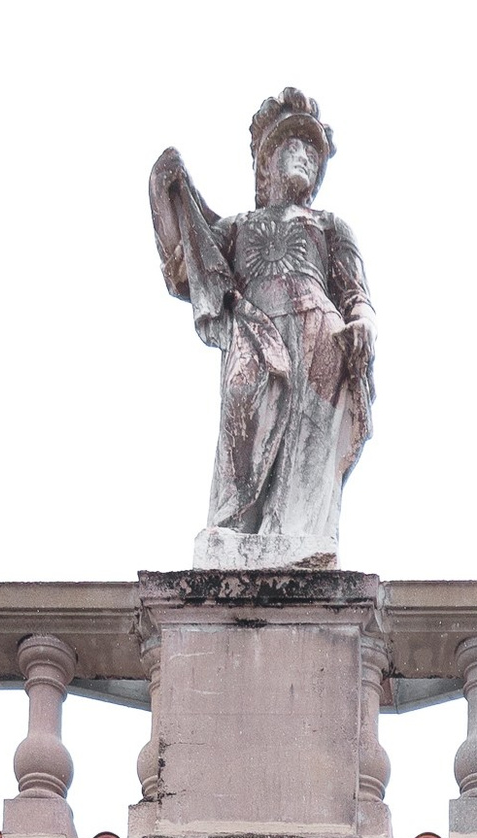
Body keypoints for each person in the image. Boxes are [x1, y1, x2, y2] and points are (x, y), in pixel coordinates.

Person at [148, 87, 376, 571]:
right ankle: (234, 529)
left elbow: (357, 294)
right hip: (255, 330)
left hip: (320, 335)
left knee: (306, 448)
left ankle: (299, 538)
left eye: (313, 151)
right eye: (293, 145)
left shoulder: (331, 226)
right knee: (244, 412)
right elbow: (189, 262)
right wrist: (168, 192)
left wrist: (363, 324)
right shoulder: (237, 227)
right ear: (266, 163)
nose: (305, 156)